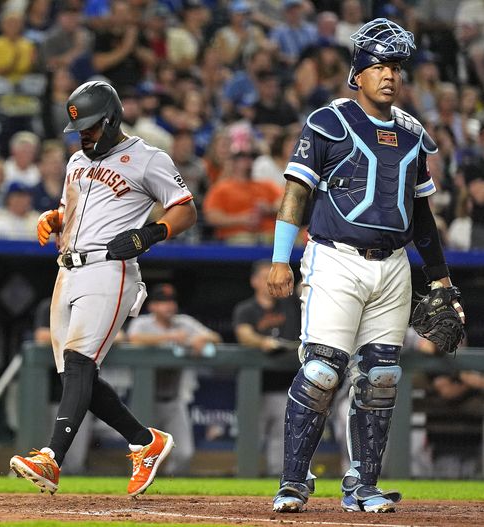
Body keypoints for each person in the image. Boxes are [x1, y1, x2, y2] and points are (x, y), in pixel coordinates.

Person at [268, 19, 466, 513]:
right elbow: (297, 192)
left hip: (394, 265)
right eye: (379, 64)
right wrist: (279, 259)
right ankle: (293, 481)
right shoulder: (328, 122)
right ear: (357, 72)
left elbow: (422, 217)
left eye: (396, 66)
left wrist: (440, 279)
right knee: (320, 372)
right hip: (335, 258)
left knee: (382, 377)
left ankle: (363, 486)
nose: (389, 75)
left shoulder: (414, 134)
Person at [9, 80, 197, 496]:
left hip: (110, 270)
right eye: (80, 129)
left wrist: (150, 234)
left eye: (91, 127)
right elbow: (72, 208)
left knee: (78, 363)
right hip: (67, 269)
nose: (84, 135)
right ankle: (147, 442)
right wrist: (54, 218)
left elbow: (186, 209)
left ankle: (51, 459)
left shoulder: (147, 159)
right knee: (77, 379)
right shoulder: (76, 160)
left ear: (111, 120)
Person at [126, 283, 221, 475]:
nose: (168, 306)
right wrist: (171, 337)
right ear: (152, 306)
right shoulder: (142, 323)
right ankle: (143, 484)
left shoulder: (184, 322)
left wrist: (202, 339)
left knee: (184, 453)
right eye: (162, 302)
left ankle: (171, 489)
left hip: (173, 399)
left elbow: (215, 337)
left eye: (171, 302)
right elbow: (134, 338)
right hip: (145, 399)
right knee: (142, 452)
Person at [232, 260, 301, 476]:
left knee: (281, 446)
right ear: (254, 281)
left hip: (286, 388)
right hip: (255, 388)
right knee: (250, 441)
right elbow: (244, 334)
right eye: (264, 277)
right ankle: (242, 483)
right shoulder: (246, 309)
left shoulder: (290, 305)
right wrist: (263, 343)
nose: (270, 281)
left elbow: (304, 287)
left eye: (272, 275)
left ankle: (277, 486)